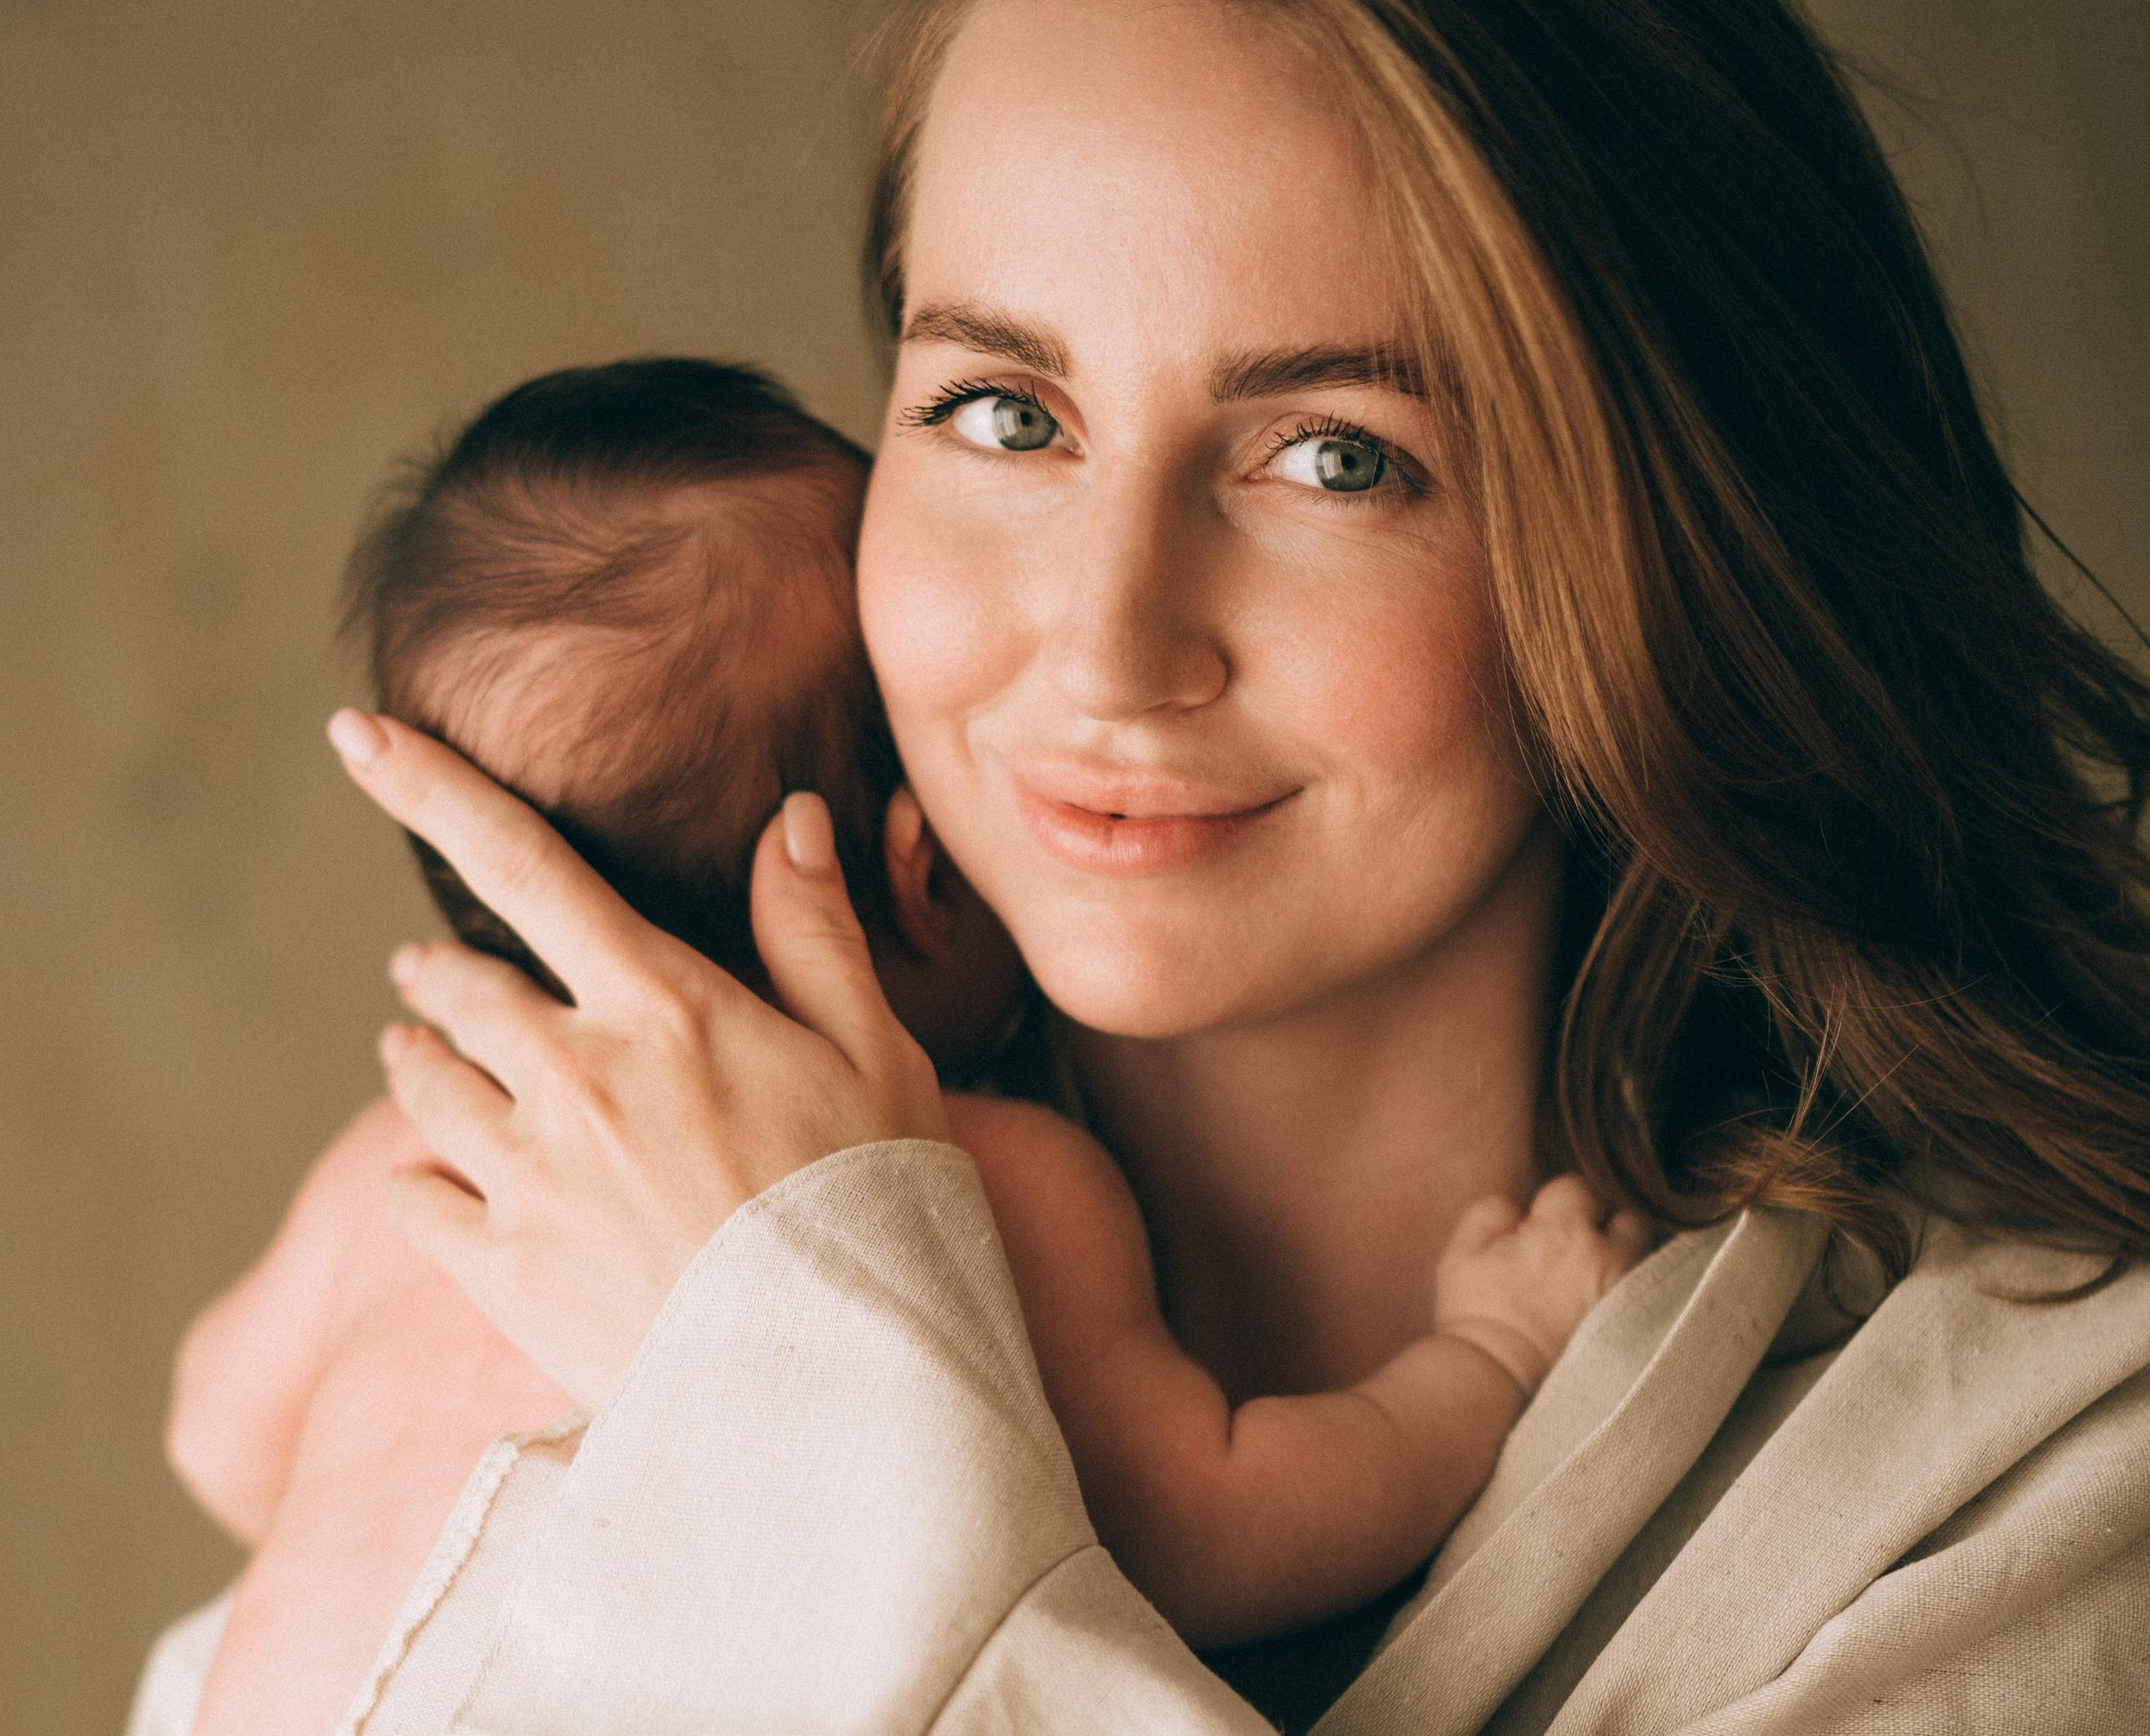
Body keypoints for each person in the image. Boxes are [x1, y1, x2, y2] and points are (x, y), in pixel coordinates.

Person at [130, 0, 2150, 1731]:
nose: (1101, 648)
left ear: (1668, 533)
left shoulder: (2035, 1478)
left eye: (1335, 454)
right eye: (1005, 412)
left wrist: (781, 1391)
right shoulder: (536, 1223)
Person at [159, 355, 1643, 1736]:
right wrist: (1491, 1355)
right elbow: (1217, 1531)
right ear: (925, 872)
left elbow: (217, 1434)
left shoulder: (416, 1151)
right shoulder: (966, 1187)